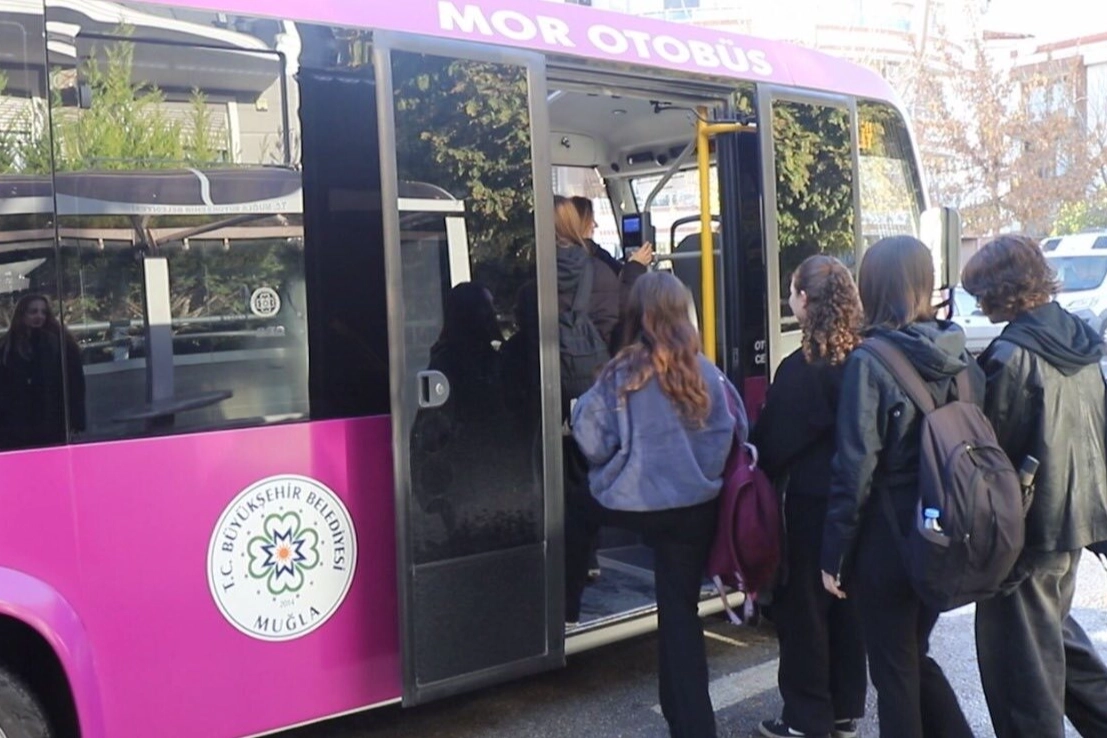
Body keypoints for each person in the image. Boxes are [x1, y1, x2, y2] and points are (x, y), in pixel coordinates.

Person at [571, 271, 745, 738]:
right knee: (680, 614)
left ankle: (569, 597)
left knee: (573, 506)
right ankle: (692, 725)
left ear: (637, 316)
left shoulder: (621, 373)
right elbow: (736, 434)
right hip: (695, 509)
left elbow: (590, 442)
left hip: (633, 504)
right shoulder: (708, 372)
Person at [820, 236, 976, 738]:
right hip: (950, 530)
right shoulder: (962, 355)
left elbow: (854, 468)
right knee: (912, 654)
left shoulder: (870, 362)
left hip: (888, 540)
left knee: (894, 670)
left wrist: (834, 556)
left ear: (871, 287)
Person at [962, 234, 1107, 738]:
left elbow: (992, 457)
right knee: (1055, 642)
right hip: (1078, 519)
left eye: (981, 293)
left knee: (1021, 674)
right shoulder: (1080, 339)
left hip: (1025, 533)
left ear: (1001, 290)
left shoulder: (1010, 355)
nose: (980, 305)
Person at [753, 255, 867, 738]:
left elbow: (771, 445)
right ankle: (844, 709)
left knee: (804, 612)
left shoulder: (800, 370)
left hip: (807, 503)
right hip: (858, 502)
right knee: (846, 607)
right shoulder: (866, 357)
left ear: (804, 299)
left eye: (791, 292)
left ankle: (806, 717)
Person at [0, 293, 85, 450]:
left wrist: (76, 421)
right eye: (33, 312)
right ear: (22, 314)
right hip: (16, 425)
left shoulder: (61, 343)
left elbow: (75, 384)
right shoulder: (8, 346)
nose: (39, 316)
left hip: (52, 420)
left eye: (43, 312)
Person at [570, 195, 652, 352]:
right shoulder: (596, 267)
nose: (595, 225)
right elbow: (623, 309)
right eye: (590, 220)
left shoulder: (574, 262)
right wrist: (634, 268)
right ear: (580, 223)